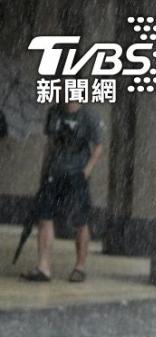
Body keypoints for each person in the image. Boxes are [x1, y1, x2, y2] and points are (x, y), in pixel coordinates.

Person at [20, 101, 103, 282]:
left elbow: (98, 147)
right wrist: (43, 173)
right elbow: (49, 145)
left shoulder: (88, 115)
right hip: (53, 173)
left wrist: (85, 172)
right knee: (44, 217)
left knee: (80, 220)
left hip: (77, 174)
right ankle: (44, 267)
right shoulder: (54, 112)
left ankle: (79, 267)